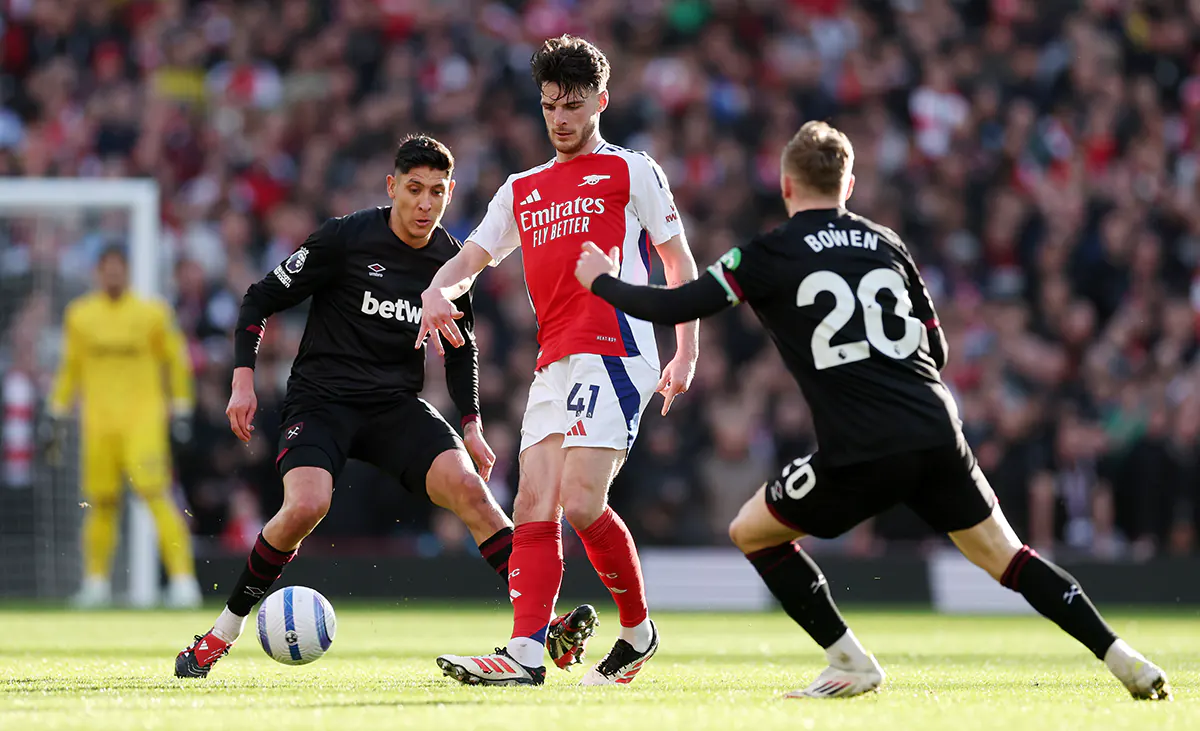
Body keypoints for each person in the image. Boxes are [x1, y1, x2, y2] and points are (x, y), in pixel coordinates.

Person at [572, 120, 1172, 701]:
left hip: (861, 445)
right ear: (849, 186)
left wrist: (603, 281)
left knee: (752, 532)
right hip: (936, 428)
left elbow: (681, 302)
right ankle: (1124, 657)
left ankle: (849, 660)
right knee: (1008, 558)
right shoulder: (888, 243)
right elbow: (934, 348)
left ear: (786, 186)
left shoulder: (765, 253)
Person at [174, 135, 593, 678]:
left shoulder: (449, 260)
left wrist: (470, 424)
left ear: (450, 194)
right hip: (321, 401)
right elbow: (259, 297)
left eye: (436, 193)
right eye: (414, 189)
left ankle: (544, 629)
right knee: (305, 507)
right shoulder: (346, 239)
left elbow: (462, 348)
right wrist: (242, 380)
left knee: (472, 491)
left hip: (394, 404)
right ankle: (220, 634)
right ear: (392, 187)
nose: (424, 203)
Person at [422, 35, 700, 687]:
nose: (561, 118)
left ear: (601, 101)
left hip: (618, 350)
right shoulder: (524, 188)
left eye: (573, 105)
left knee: (579, 499)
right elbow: (471, 258)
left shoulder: (632, 170)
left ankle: (637, 631)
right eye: (550, 106)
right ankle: (524, 650)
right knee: (533, 502)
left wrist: (686, 346)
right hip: (555, 363)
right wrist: (438, 289)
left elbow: (677, 259)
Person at [45, 246, 202, 609]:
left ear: (128, 271)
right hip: (98, 423)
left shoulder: (152, 314)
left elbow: (175, 362)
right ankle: (96, 583)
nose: (113, 275)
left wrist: (180, 408)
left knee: (156, 495)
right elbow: (71, 368)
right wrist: (56, 411)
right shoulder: (80, 315)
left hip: (143, 419)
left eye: (119, 268)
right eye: (107, 269)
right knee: (101, 503)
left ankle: (183, 580)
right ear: (98, 273)